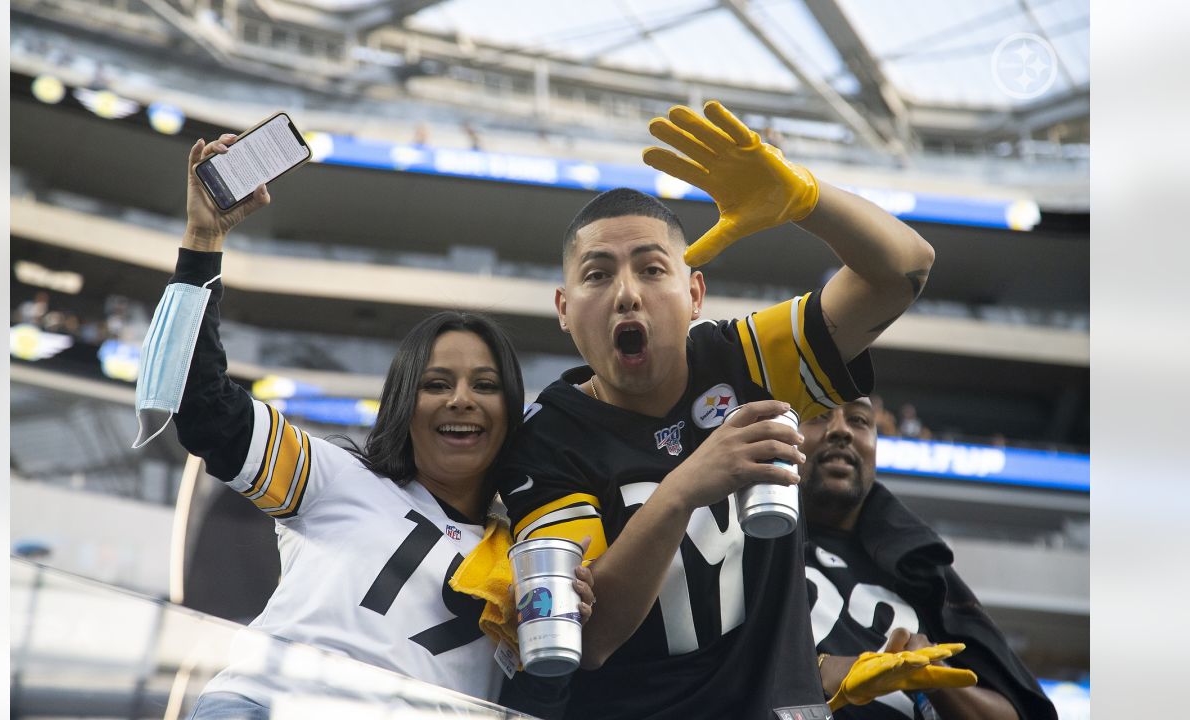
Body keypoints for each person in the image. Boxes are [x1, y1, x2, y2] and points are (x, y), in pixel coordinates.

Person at [495, 101, 936, 718]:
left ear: (694, 292)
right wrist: (682, 489)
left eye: (652, 269)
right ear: (564, 309)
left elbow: (905, 268)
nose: (627, 294)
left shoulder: (743, 357)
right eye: (599, 276)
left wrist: (804, 199)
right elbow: (586, 639)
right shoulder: (547, 438)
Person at [156, 135, 594, 718]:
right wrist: (204, 240)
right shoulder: (333, 477)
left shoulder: (529, 564)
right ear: (403, 406)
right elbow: (201, 405)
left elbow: (532, 707)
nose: (461, 401)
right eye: (436, 384)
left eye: (485, 386)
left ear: (512, 413)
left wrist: (559, 644)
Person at [801, 399, 1057, 719]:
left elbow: (1019, 712)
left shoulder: (922, 571)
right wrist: (821, 669)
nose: (841, 429)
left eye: (859, 420)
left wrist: (933, 677)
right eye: (818, 415)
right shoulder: (740, 543)